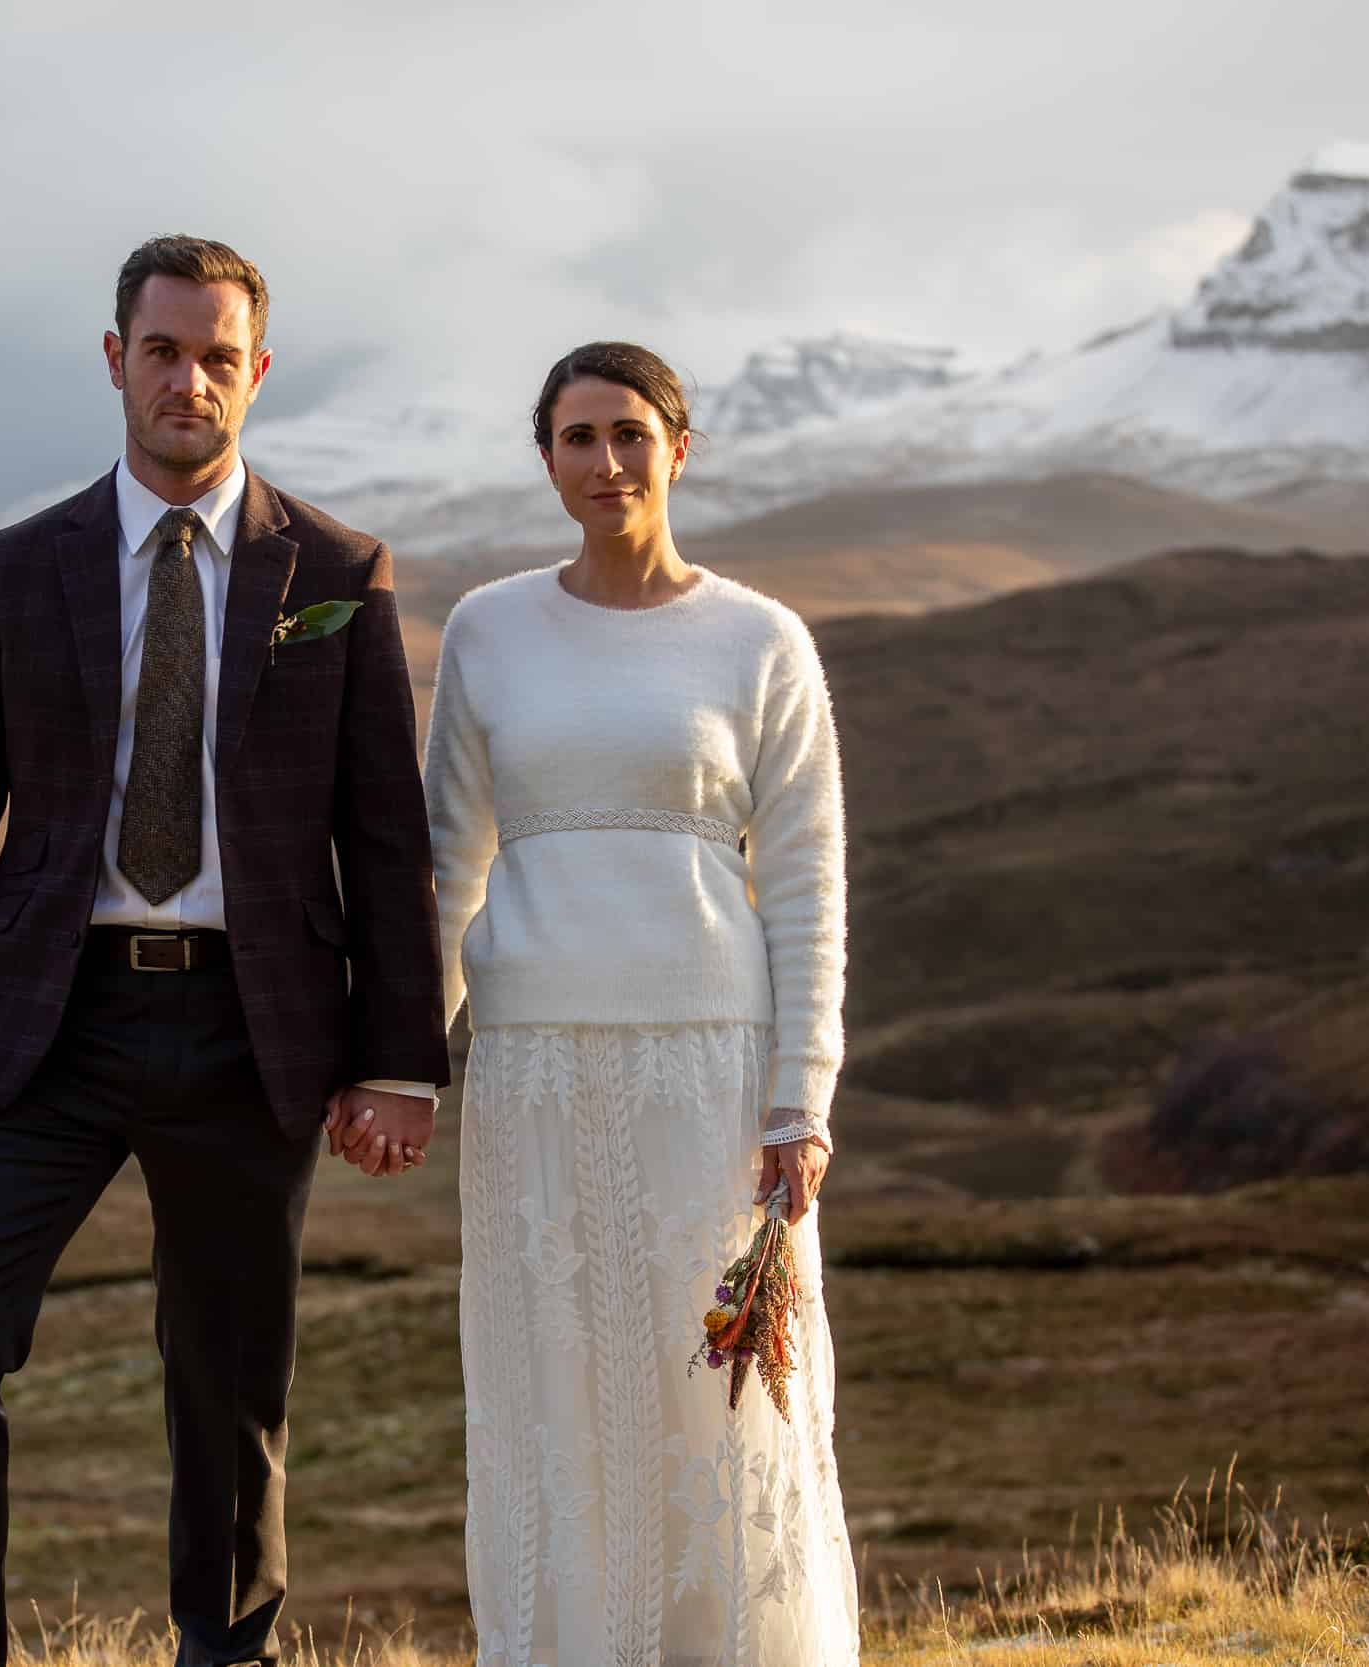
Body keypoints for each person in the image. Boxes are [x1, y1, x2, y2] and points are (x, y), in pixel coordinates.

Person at [0, 234, 450, 1667]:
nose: (189, 378)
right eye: (163, 349)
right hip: (41, 1029)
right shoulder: (13, 569)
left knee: (231, 1384)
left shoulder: (339, 572)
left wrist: (398, 1061)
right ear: (115, 357)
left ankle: (225, 1657)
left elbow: (382, 834)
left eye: (217, 355)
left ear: (257, 371)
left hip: (251, 1031)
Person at [419, 341, 860, 1664]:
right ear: (544, 456)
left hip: (710, 1071)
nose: (604, 463)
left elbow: (805, 881)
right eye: (575, 438)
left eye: (629, 435)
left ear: (680, 447)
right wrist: (405, 1060)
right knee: (553, 1390)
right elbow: (447, 863)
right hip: (534, 1066)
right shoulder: (489, 629)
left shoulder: (759, 638)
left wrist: (803, 1096)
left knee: (725, 1402)